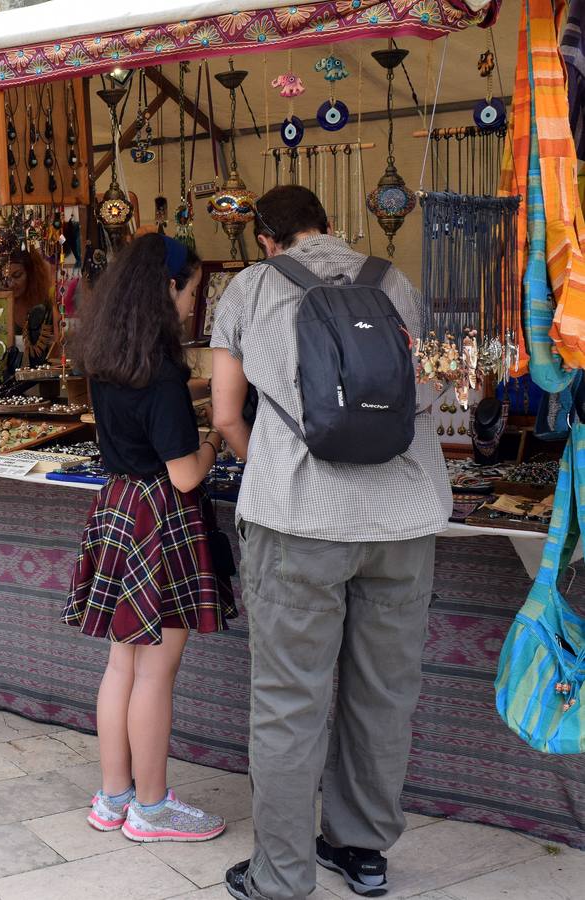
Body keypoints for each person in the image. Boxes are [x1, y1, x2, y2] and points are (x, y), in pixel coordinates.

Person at [209, 186, 450, 900]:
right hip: (403, 520)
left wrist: (272, 467)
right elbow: (432, 386)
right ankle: (362, 850)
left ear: (263, 238)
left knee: (289, 701)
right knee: (384, 693)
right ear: (331, 225)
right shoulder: (392, 280)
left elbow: (225, 413)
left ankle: (280, 876)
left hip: (298, 523)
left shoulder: (249, 288)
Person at [63, 232, 232, 844]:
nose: (193, 303)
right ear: (167, 288)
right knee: (156, 674)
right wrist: (215, 433)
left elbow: (143, 418)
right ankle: (153, 809)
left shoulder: (109, 357)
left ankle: (115, 799)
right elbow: (185, 471)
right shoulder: (160, 373)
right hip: (162, 516)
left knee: (121, 667)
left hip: (118, 507)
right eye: (191, 289)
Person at [5, 248, 60, 369]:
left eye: (17, 275)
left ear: (31, 275)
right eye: (7, 278)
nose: (11, 284)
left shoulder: (46, 306)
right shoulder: (3, 305)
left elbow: (57, 343)